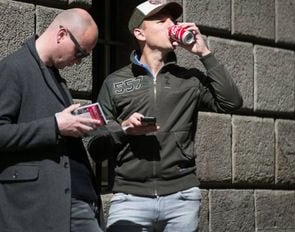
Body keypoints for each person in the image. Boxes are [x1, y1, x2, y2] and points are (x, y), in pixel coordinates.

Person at [88, 1, 243, 231]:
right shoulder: (115, 82)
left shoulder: (190, 79)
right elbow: (95, 145)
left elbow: (231, 102)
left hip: (182, 199)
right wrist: (123, 129)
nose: (172, 25)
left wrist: (205, 53)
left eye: (174, 21)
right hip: (129, 198)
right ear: (140, 33)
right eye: (162, 21)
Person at [0, 8, 104, 232]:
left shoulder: (55, 77)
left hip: (74, 200)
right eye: (80, 53)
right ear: (61, 35)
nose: (79, 62)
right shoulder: (13, 68)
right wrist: (56, 125)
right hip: (42, 206)